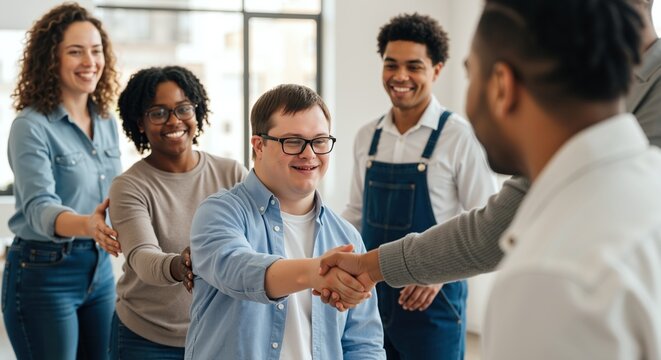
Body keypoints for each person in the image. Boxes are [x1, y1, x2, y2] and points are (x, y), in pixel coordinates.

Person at [323, 0, 661, 358]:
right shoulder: (646, 176)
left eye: (470, 73)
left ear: (501, 85)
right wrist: (366, 266)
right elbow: (490, 227)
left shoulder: (550, 279)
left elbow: (486, 224)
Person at [185, 84, 385, 359]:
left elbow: (364, 343)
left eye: (320, 141)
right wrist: (316, 272)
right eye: (293, 141)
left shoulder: (346, 237)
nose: (309, 153)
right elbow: (237, 269)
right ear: (259, 145)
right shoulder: (219, 213)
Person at [341, 13, 497, 359]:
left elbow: (484, 223)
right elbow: (356, 213)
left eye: (414, 66)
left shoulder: (459, 137)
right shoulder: (367, 136)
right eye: (391, 64)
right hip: (372, 299)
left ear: (436, 70)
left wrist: (438, 273)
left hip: (432, 303)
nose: (400, 76)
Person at [2, 3, 121, 359]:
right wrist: (89, 224)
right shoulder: (31, 126)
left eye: (96, 51)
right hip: (43, 272)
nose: (90, 61)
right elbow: (39, 208)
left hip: (98, 269)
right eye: (75, 51)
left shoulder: (105, 120)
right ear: (50, 58)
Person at [107, 66, 247, 359]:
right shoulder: (129, 186)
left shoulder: (232, 173)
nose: (174, 121)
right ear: (140, 123)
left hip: (218, 332)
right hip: (146, 338)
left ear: (196, 112)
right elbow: (142, 258)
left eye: (183, 109)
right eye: (158, 113)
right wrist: (181, 265)